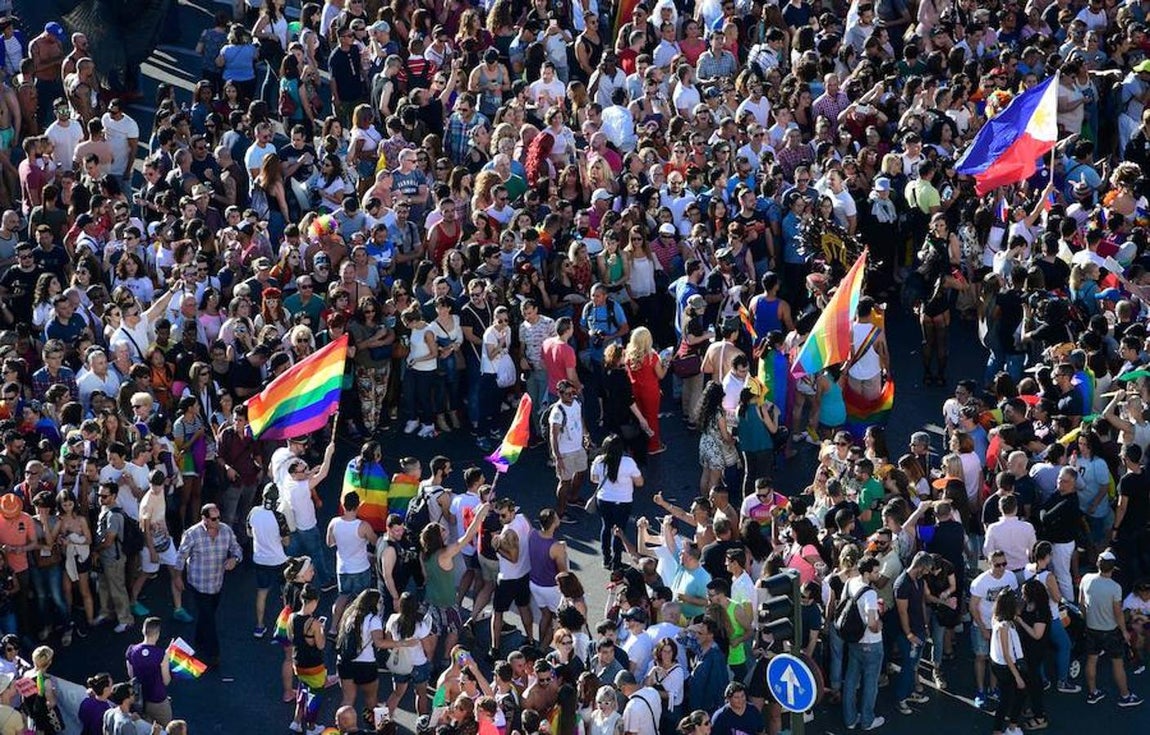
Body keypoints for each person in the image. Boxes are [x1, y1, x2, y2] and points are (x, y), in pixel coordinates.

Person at [173, 503, 243, 673]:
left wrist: (235, 559)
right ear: (204, 519)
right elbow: (181, 556)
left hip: (217, 583)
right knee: (210, 619)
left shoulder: (226, 531)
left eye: (219, 517)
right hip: (198, 584)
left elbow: (237, 549)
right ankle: (213, 655)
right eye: (213, 519)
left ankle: (198, 639)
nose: (217, 521)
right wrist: (177, 577)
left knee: (207, 614)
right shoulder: (192, 534)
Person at [1080, 550, 1143, 707]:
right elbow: (1118, 613)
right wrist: (1124, 631)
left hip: (1091, 628)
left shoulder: (1086, 578)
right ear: (1113, 568)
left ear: (1098, 564)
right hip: (1111, 632)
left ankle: (1093, 692)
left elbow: (1081, 603)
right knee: (1117, 663)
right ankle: (1125, 696)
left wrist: (1087, 620)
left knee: (1092, 660)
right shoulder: (1115, 587)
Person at [842, 556, 884, 731]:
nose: (878, 574)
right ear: (867, 573)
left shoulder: (850, 583)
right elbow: (872, 624)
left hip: (854, 640)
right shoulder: (870, 593)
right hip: (871, 643)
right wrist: (879, 621)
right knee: (870, 683)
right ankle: (867, 720)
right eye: (875, 571)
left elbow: (843, 604)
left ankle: (850, 719)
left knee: (851, 680)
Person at [589, 434, 643, 571]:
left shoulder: (598, 461)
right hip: (623, 501)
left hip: (604, 500)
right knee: (619, 530)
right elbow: (640, 482)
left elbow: (594, 479)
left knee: (606, 527)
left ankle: (606, 558)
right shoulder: (628, 463)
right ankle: (617, 560)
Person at [124, 617, 172, 726]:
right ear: (158, 634)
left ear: (143, 631)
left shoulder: (131, 650)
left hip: (139, 698)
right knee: (165, 727)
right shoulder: (161, 654)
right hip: (157, 700)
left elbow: (131, 675)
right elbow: (166, 681)